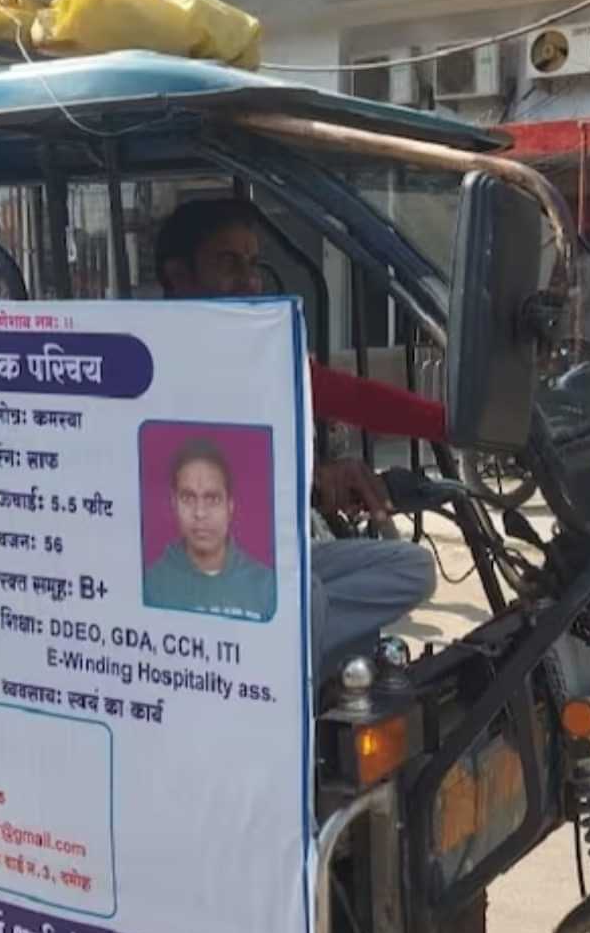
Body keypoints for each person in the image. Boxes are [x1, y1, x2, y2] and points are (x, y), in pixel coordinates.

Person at [153, 198, 441, 667]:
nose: (249, 280)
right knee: (306, 597)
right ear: (179, 275)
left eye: (252, 264)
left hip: (261, 554)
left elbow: (350, 397)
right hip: (194, 563)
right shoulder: (156, 357)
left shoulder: (253, 349)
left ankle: (299, 664)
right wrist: (309, 479)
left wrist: (457, 424)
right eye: (228, 263)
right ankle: (278, 681)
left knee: (411, 567)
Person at [144, 438, 277, 620]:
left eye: (212, 499)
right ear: (174, 504)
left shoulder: (266, 587)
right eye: (188, 498)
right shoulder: (150, 587)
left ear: (230, 507)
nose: (199, 513)